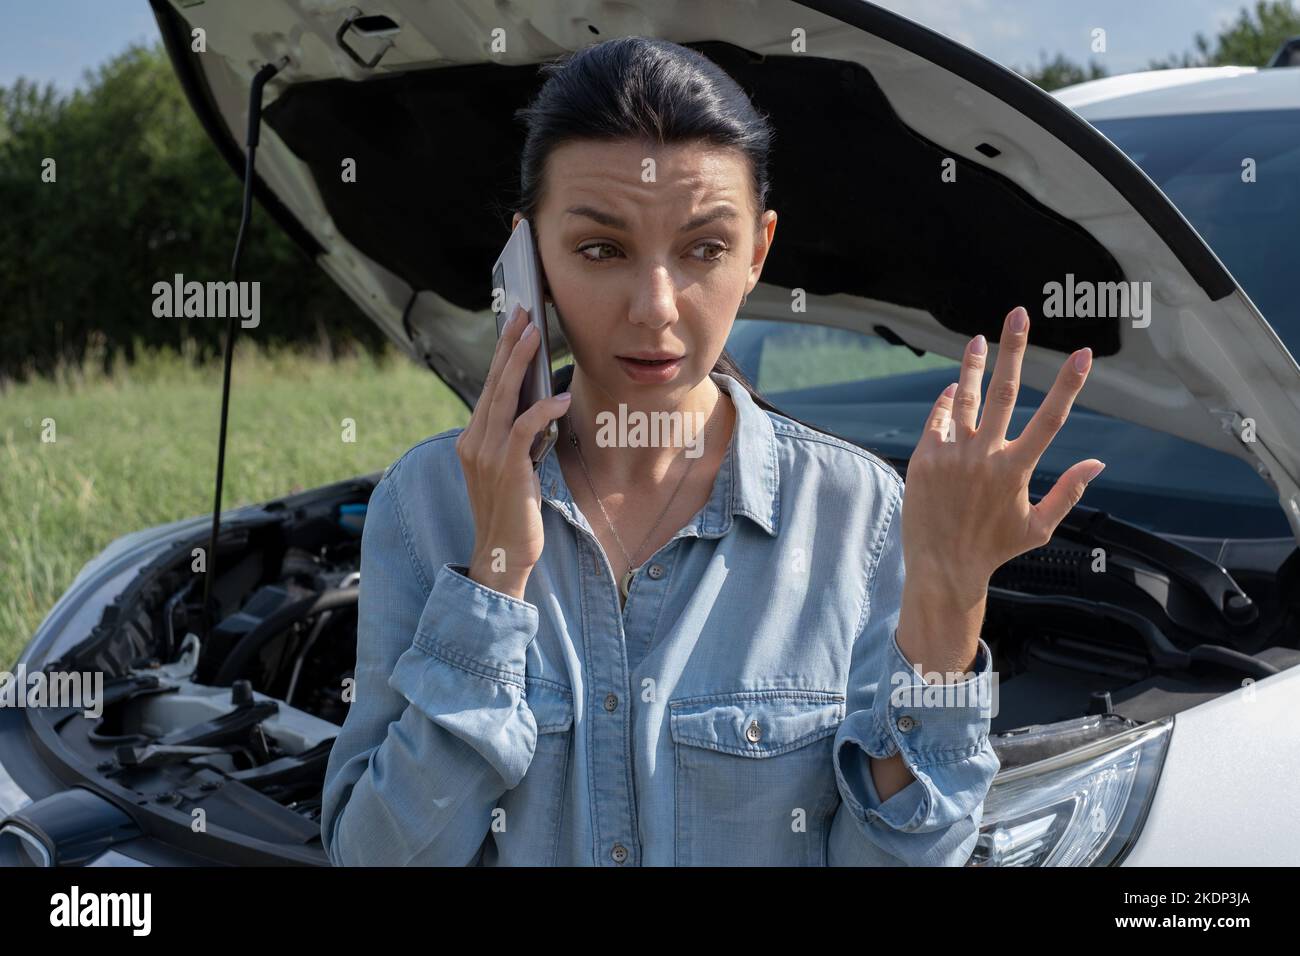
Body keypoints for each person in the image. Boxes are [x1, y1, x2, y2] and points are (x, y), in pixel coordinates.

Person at [320, 36, 1103, 866]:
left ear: (760, 249)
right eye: (601, 249)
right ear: (529, 257)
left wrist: (947, 603)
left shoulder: (861, 517)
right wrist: (495, 582)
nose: (656, 309)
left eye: (704, 249)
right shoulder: (427, 503)